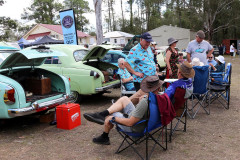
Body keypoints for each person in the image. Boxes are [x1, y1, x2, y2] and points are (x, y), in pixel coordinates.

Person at [83, 75, 164, 145]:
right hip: (144, 121)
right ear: (159, 88)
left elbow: (130, 123)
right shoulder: (160, 97)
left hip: (135, 127)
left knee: (111, 115)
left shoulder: (145, 102)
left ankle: (104, 136)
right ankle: (101, 114)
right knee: (124, 98)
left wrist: (112, 118)